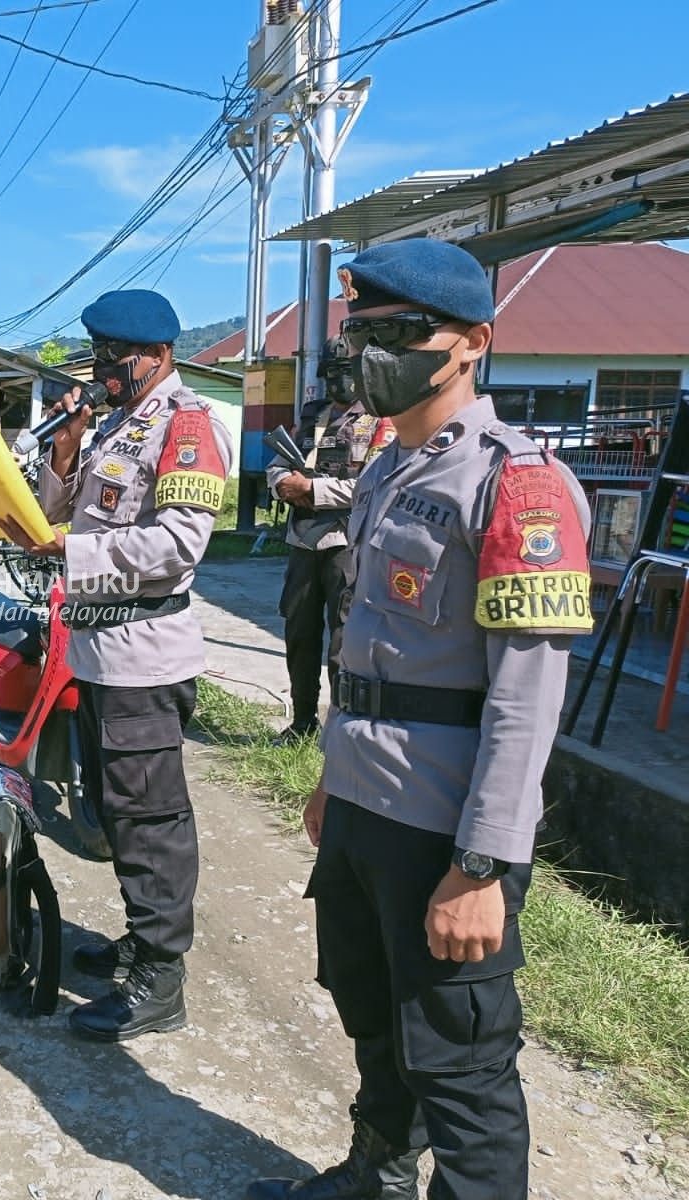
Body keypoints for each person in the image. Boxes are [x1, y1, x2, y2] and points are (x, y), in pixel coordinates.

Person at [246, 239, 593, 1200]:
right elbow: (366, 656)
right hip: (365, 796)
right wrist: (331, 780)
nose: (370, 352)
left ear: (471, 345)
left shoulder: (515, 482)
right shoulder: (389, 470)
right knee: (364, 999)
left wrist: (481, 864)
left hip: (444, 820)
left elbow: (526, 702)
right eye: (361, 333)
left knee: (460, 1058)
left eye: (398, 333)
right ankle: (379, 1170)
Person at [0, 288, 232, 1042]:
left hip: (146, 655)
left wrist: (65, 549)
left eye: (112, 356)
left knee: (150, 817)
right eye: (96, 354)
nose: (100, 369)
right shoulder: (120, 427)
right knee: (113, 808)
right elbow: (65, 513)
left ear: (157, 355)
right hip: (98, 649)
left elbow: (176, 547)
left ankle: (161, 980)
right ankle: (141, 939)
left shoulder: (187, 425)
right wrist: (63, 458)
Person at [264, 337, 394, 744]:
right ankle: (303, 721)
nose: (341, 382)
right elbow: (276, 464)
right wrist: (281, 483)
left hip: (346, 543)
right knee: (299, 634)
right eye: (334, 373)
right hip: (303, 542)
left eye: (348, 372)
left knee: (343, 643)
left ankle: (340, 729)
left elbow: (373, 485)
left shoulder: (381, 422)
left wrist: (313, 490)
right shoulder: (312, 417)